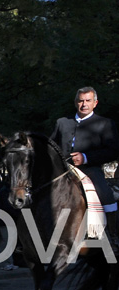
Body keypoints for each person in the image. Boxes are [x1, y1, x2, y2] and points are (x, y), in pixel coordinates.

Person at [50, 87, 119, 244]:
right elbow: (51, 146)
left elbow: (113, 151)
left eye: (88, 101)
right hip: (62, 171)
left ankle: (113, 235)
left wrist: (86, 157)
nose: (84, 104)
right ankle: (27, 238)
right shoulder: (62, 122)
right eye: (81, 101)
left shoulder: (105, 123)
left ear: (95, 103)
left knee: (106, 195)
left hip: (90, 170)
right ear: (76, 102)